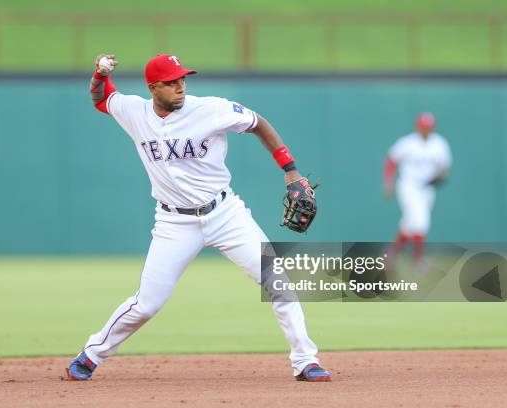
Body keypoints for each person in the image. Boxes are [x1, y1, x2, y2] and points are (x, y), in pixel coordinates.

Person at [65, 53, 331, 382]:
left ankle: (305, 361)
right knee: (147, 304)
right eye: (171, 82)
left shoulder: (211, 109)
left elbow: (258, 123)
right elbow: (102, 98)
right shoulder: (135, 111)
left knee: (277, 281)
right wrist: (99, 75)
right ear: (153, 88)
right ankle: (91, 355)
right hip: (174, 223)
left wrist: (290, 171)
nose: (180, 86)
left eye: (183, 79)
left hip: (225, 214)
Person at [383, 112, 452, 267]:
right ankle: (418, 260)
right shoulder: (408, 143)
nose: (425, 130)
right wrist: (388, 182)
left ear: (433, 127)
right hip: (409, 186)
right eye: (423, 127)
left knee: (408, 224)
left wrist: (441, 176)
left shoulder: (439, 144)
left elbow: (444, 169)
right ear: (418, 127)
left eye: (428, 127)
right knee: (421, 222)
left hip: (427, 189)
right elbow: (391, 160)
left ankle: (391, 255)